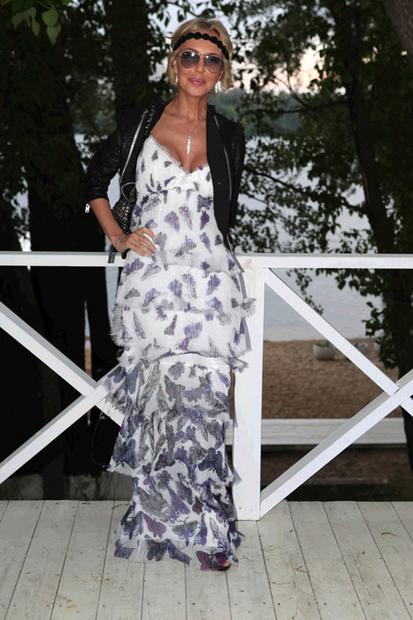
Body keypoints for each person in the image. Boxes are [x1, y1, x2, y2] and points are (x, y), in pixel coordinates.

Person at [84, 17, 256, 571]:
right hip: (151, 288)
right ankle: (156, 520)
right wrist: (119, 237)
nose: (199, 68)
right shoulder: (141, 123)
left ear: (222, 71)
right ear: (173, 63)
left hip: (211, 289)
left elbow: (225, 215)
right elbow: (96, 182)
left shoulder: (231, 135)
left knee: (205, 405)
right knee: (160, 404)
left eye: (211, 59)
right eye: (190, 57)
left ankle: (208, 530)